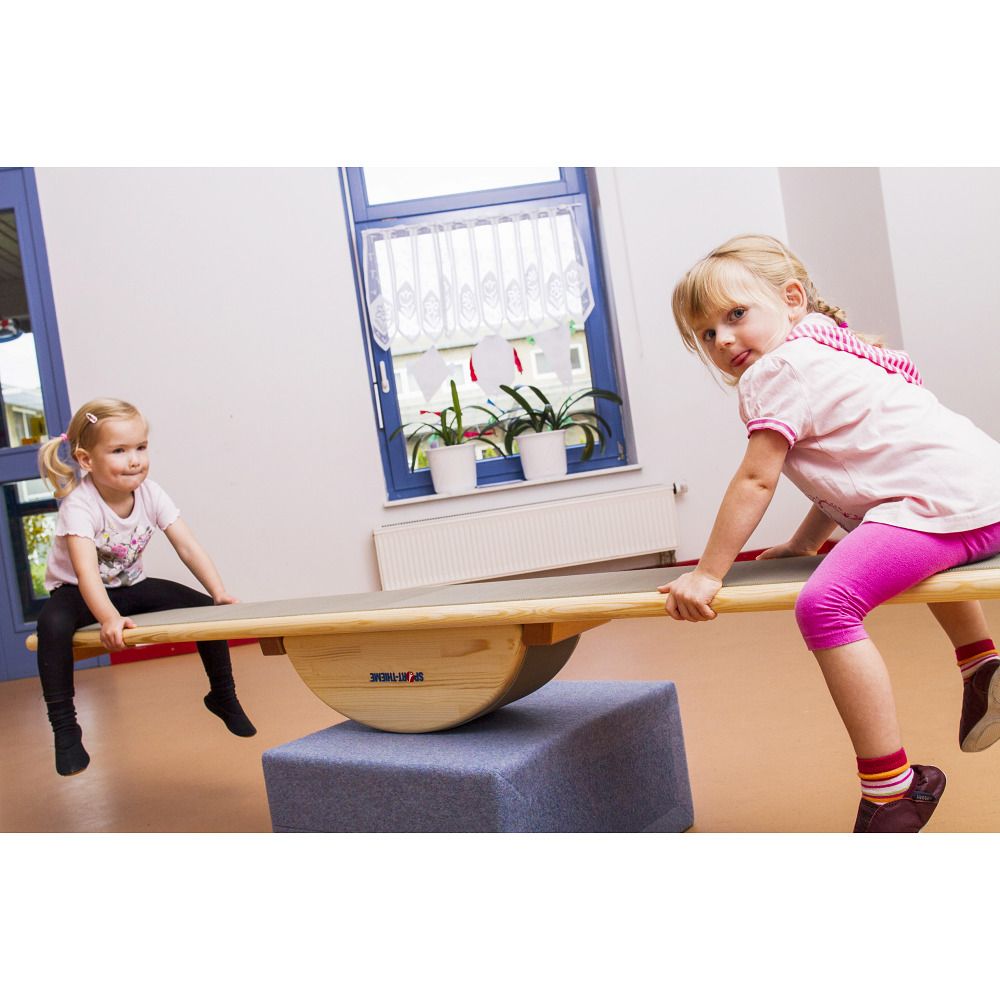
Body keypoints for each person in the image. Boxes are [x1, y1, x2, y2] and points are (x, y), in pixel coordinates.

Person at [662, 234, 1000, 833]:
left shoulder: (776, 371)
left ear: (791, 298)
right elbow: (854, 470)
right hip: (980, 497)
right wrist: (804, 542)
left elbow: (756, 480)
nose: (724, 341)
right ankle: (985, 670)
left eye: (735, 315)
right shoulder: (831, 347)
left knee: (826, 605)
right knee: (909, 544)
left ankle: (892, 791)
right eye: (706, 334)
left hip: (937, 504)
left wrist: (708, 572)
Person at [35, 398, 256, 777]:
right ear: (87, 460)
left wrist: (218, 592)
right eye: (120, 451)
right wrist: (109, 618)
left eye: (141, 447)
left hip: (132, 585)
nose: (135, 459)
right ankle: (65, 729)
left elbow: (187, 545)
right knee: (51, 627)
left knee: (203, 608)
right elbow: (87, 574)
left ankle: (222, 694)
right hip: (76, 592)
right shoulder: (79, 505)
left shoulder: (151, 493)